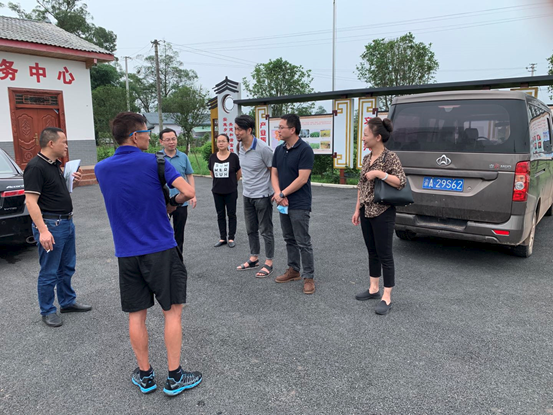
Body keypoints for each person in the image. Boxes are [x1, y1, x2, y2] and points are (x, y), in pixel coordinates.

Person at [95, 112, 202, 396]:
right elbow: (188, 192)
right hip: (160, 248)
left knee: (136, 315)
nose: (149, 137)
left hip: (126, 252)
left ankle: (145, 376)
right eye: (146, 132)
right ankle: (175, 377)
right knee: (172, 312)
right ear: (134, 136)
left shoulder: (101, 169)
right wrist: (173, 202)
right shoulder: (157, 162)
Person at [24, 127, 91, 328]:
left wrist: (73, 183)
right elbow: (30, 201)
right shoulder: (36, 167)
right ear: (51, 143)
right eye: (64, 142)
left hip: (66, 222)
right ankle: (47, 310)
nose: (67, 146)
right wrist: (43, 230)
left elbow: (59, 193)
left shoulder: (55, 165)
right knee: (49, 271)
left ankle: (67, 302)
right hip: (52, 225)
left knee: (67, 267)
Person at [351, 118, 406, 315]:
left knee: (385, 254)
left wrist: (379, 174)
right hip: (366, 211)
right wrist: (357, 209)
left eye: (366, 135)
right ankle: (373, 288)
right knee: (372, 251)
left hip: (383, 211)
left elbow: (400, 181)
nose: (363, 138)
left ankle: (387, 296)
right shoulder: (367, 158)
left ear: (378, 137)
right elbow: (361, 185)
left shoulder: (390, 157)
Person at [271, 114, 316, 295]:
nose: (279, 130)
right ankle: (293, 270)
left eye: (281, 127)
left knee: (302, 241)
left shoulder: (305, 150)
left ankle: (309, 277)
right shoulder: (279, 150)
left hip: (299, 203)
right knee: (289, 238)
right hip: (283, 201)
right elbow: (274, 173)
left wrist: (283, 194)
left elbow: (302, 178)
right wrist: (278, 194)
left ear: (292, 129)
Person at [234, 114, 275, 278]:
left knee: (266, 230)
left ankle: (269, 262)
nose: (236, 132)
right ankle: (254, 258)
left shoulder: (263, 149)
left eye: (239, 129)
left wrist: (276, 192)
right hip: (247, 194)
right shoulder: (238, 147)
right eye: (235, 129)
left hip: (263, 195)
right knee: (251, 229)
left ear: (249, 130)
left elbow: (274, 171)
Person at [159, 128, 196, 255]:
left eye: (173, 139)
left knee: (179, 233)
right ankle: (165, 260)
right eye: (167, 140)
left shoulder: (183, 157)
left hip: (181, 201)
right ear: (161, 142)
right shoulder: (157, 158)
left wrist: (192, 194)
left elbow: (189, 175)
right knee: (163, 233)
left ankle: (178, 259)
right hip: (162, 202)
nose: (171, 142)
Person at [208, 134, 241, 248]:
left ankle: (231, 237)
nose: (221, 143)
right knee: (220, 214)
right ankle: (222, 237)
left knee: (231, 214)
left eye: (223, 141)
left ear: (228, 143)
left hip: (231, 190)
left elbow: (238, 173)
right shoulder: (212, 157)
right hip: (217, 191)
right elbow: (212, 172)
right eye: (219, 141)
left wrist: (233, 182)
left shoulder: (234, 157)